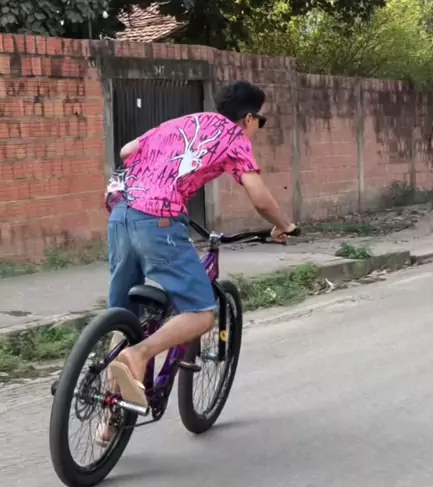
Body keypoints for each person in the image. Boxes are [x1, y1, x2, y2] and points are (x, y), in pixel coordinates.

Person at [105, 80, 297, 409]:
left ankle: (109, 417)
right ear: (249, 118)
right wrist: (283, 225)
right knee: (201, 314)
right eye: (260, 121)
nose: (258, 127)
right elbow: (260, 198)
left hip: (120, 211)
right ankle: (139, 354)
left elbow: (126, 151)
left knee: (123, 315)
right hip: (158, 219)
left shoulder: (187, 121)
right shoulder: (234, 137)